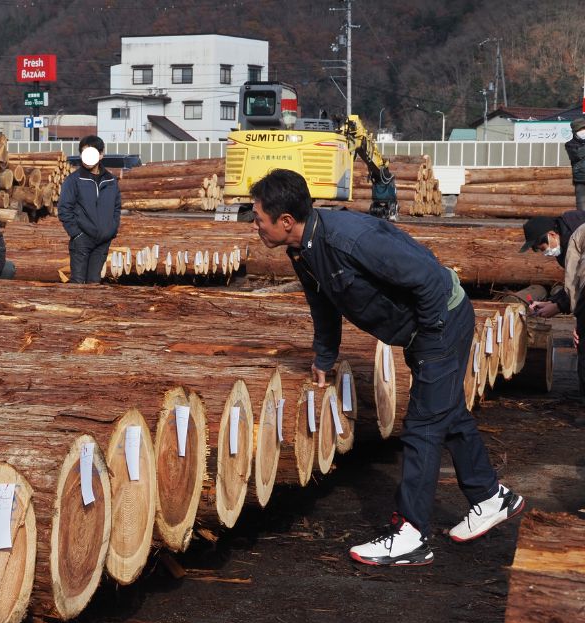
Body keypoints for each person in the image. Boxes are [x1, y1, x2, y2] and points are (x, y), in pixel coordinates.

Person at [250, 168, 524, 567]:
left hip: (441, 320)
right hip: (427, 330)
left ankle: (411, 534)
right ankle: (490, 496)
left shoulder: (349, 239)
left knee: (423, 425)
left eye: (259, 218)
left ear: (286, 220)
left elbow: (427, 277)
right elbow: (322, 304)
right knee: (447, 412)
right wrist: (324, 357)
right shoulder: (303, 251)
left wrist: (430, 338)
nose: (255, 225)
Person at [520, 212, 585, 395]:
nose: (544, 252)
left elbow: (581, 285)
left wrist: (580, 320)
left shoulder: (575, 238)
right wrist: (555, 303)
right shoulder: (567, 238)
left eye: (541, 248)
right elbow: (575, 284)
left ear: (552, 234)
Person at [58, 135, 121, 283]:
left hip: (103, 241)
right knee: (78, 283)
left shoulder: (111, 181)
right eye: (83, 153)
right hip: (82, 240)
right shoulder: (74, 180)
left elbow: (116, 207)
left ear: (101, 154)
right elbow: (64, 209)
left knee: (94, 282)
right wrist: (76, 234)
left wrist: (111, 230)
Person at [564, 117, 585, 211]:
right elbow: (576, 155)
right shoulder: (570, 144)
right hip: (580, 180)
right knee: (581, 207)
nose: (583, 131)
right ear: (575, 131)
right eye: (581, 129)